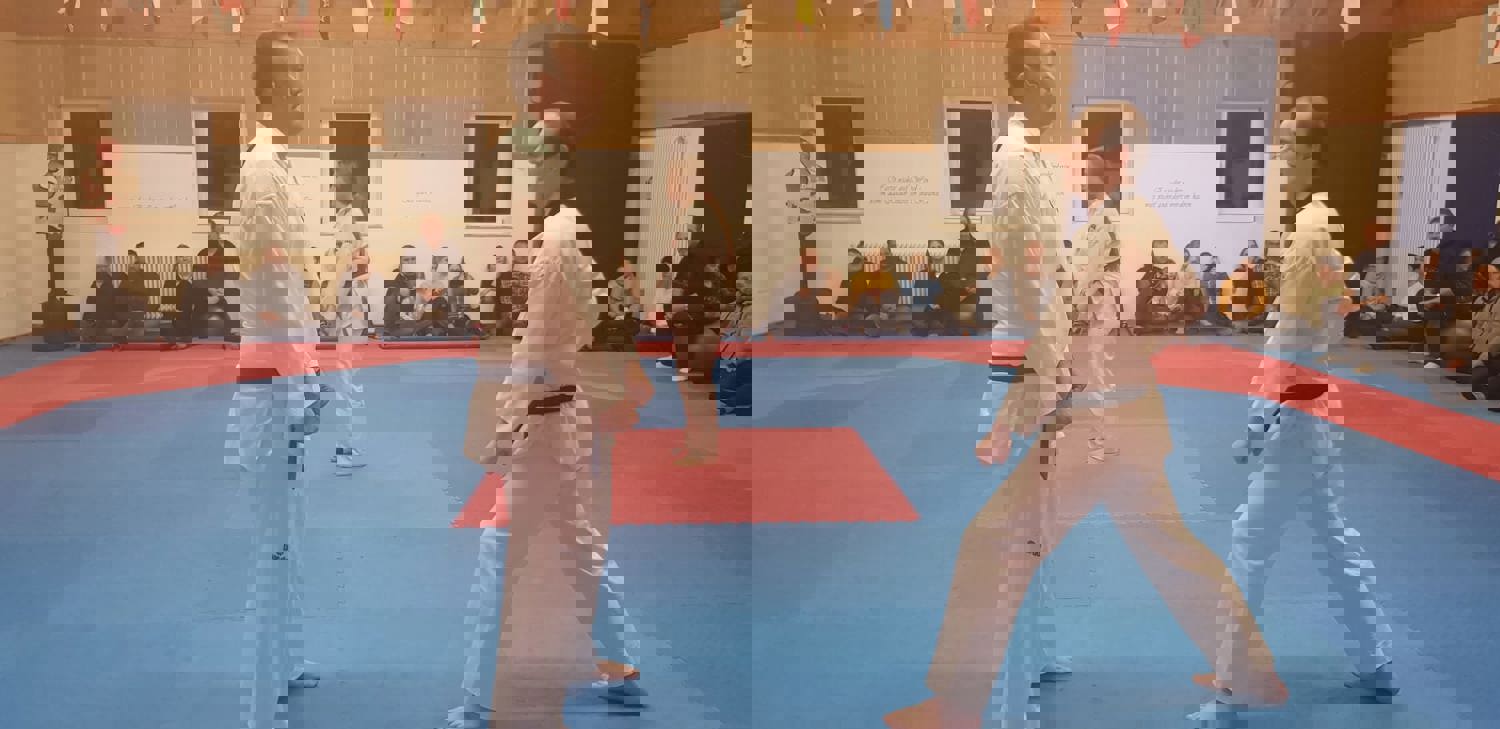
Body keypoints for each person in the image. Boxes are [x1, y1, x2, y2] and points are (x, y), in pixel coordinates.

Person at [885, 22, 1283, 729]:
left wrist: (1028, 404)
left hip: (1101, 424)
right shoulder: (1118, 223)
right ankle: (1254, 676)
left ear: (1110, 160)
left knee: (991, 546)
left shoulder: (1118, 229)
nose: (1082, 162)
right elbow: (1143, 312)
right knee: (1171, 552)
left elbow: (1121, 321)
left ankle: (955, 707)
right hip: (1120, 417)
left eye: (1092, 153)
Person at [445, 103, 646, 729]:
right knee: (577, 540)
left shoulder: (558, 242)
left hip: (545, 417)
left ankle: (480, 701)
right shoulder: (560, 234)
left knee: (499, 547)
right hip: (559, 412)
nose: (530, 169)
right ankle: (619, 663)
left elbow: (539, 348)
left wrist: (508, 427)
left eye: (542, 156)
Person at [1196, 188, 1397, 724]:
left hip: (1291, 436)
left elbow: (1283, 377)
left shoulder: (1301, 307)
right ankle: (1375, 661)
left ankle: (1231, 687)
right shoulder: (1326, 296)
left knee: (1250, 549)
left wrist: (1255, 431)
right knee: (1335, 544)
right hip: (1315, 431)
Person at [228, 31, 325, 729]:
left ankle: (287, 663)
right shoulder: (262, 172)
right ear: (265, 85)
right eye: (286, 74)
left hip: (287, 373)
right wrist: (297, 378)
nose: (298, 87)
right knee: (271, 543)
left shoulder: (282, 169)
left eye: (301, 72)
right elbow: (269, 291)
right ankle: (261, 710)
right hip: (268, 381)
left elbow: (294, 287)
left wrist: (310, 371)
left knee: (291, 533)